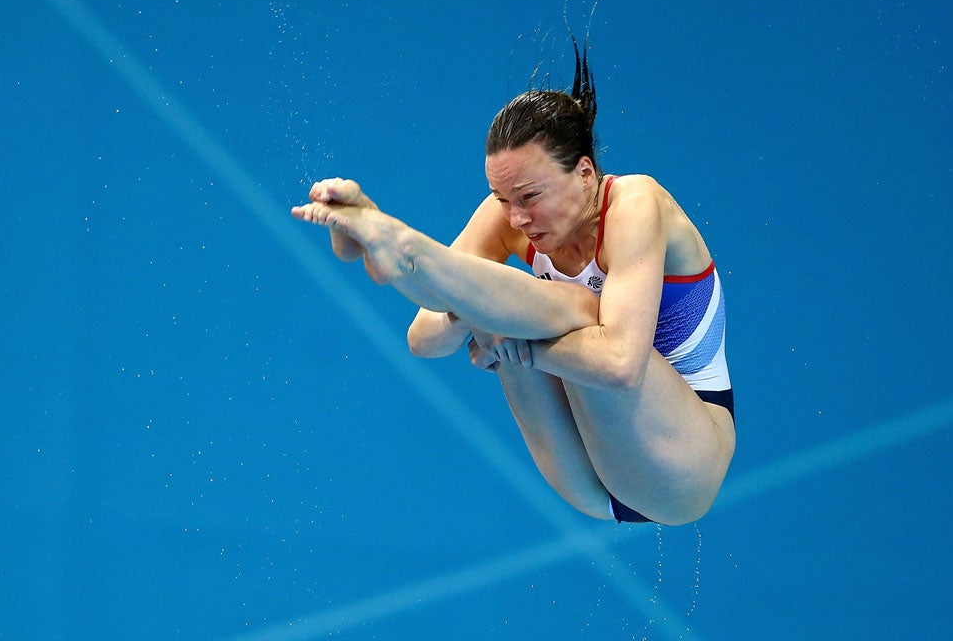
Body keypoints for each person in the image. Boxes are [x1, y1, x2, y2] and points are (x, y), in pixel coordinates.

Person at [291, 43, 735, 525]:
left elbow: (621, 364)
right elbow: (423, 340)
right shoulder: (511, 218)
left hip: (682, 466)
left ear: (585, 173)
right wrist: (492, 326)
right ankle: (395, 249)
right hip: (588, 485)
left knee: (570, 310)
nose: (517, 217)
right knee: (495, 312)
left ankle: (408, 249)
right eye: (501, 198)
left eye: (530, 196)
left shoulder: (635, 203)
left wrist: (518, 345)